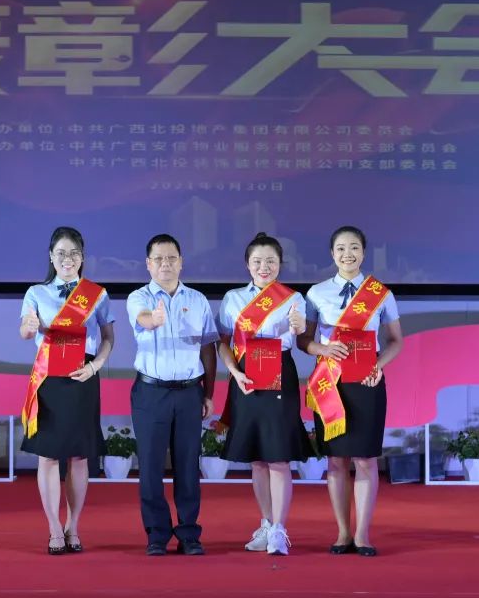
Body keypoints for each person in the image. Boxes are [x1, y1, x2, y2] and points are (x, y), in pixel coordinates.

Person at [297, 226, 403, 557]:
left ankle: (362, 534)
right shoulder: (316, 293)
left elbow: (396, 341)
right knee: (336, 460)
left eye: (354, 247)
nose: (348, 254)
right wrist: (322, 349)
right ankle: (343, 532)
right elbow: (303, 340)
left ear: (363, 252)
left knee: (366, 459)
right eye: (341, 248)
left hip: (367, 382)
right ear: (332, 254)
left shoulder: (380, 294)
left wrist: (378, 365)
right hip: (330, 383)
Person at [20, 227, 115, 555]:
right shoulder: (36, 293)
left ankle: (73, 526)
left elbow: (108, 338)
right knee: (47, 455)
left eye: (74, 253)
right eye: (61, 253)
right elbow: (25, 329)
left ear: (82, 257)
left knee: (79, 455)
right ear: (51, 256)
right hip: (49, 379)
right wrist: (28, 327)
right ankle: (53, 528)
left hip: (82, 377)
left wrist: (95, 366)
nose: (67, 259)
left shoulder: (96, 294)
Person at [216, 232, 312, 556]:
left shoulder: (293, 298)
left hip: (279, 374)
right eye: (257, 261)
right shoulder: (232, 299)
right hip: (245, 376)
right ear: (247, 264)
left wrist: (298, 325)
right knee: (257, 458)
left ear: (280, 264)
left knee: (278, 456)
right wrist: (234, 372)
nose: (264, 267)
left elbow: (299, 334)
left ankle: (280, 530)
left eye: (271, 261)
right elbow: (223, 343)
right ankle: (267, 524)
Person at [126, 233, 218, 556]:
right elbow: (142, 319)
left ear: (181, 262)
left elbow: (208, 349)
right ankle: (157, 534)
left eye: (171, 258)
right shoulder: (138, 297)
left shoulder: (198, 300)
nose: (165, 264)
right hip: (151, 393)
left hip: (190, 392)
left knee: (188, 465)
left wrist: (208, 393)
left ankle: (189, 533)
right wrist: (154, 320)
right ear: (148, 264)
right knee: (151, 466)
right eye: (159, 259)